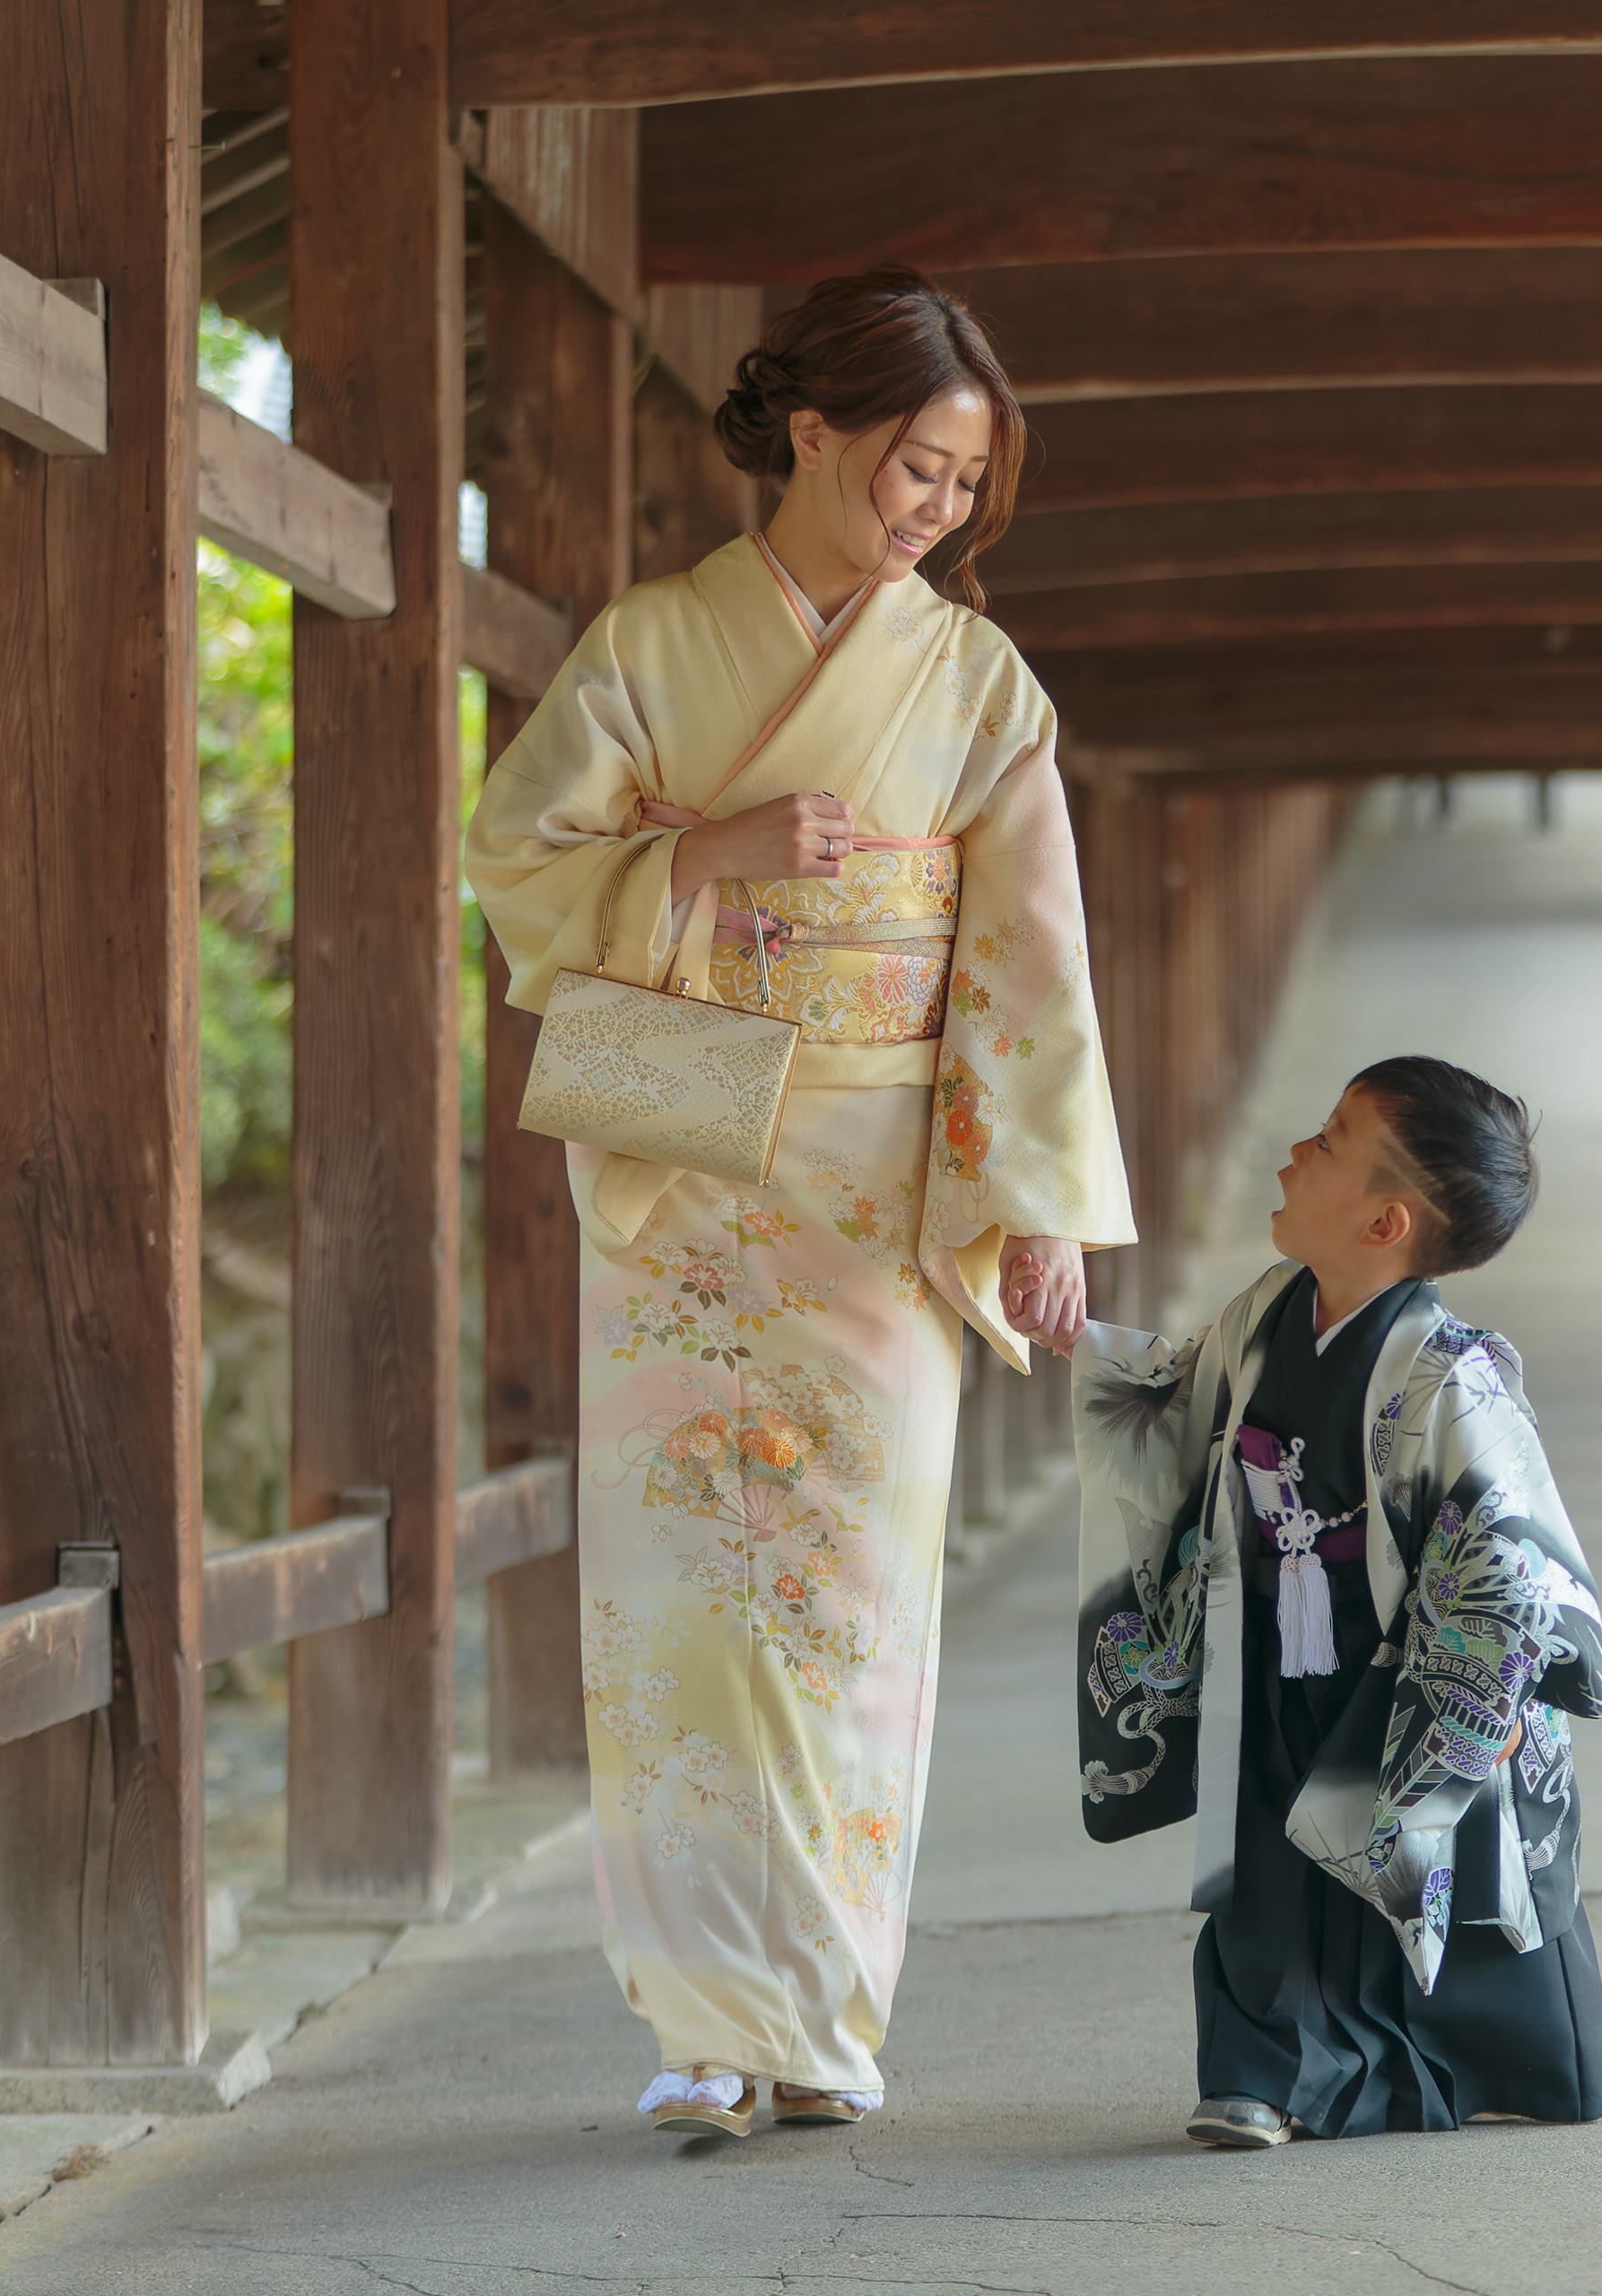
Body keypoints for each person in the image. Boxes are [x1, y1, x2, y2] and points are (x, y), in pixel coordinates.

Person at [463, 270, 1134, 2137]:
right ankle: (699, 2023)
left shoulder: (978, 683)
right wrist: (704, 858)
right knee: (678, 1595)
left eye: (965, 485)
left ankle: (823, 2015)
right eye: (918, 466)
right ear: (815, 433)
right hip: (691, 1156)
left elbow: (1032, 961)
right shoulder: (649, 644)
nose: (937, 508)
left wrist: (1038, 1206)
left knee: (852, 1601)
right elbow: (514, 860)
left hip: (882, 1185)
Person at [1067, 1057, 1602, 2145]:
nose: (1294, 1151)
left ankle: (1467, 2060)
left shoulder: (1456, 1374)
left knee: (1433, 1863)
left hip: (1405, 1672)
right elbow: (1177, 1405)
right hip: (1274, 1652)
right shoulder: (1264, 1314)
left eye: (1326, 1141)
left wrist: (1490, 1690)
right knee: (1265, 1866)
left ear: (1385, 1221)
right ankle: (1262, 2073)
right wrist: (1073, 1339)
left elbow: (1514, 1551)